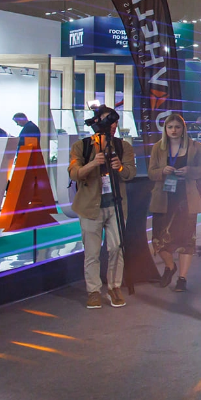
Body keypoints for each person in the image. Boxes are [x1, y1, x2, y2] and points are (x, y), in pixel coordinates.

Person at [69, 106, 136, 309]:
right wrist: (93, 163)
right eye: (108, 121)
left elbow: (130, 173)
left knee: (116, 248)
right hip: (90, 207)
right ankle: (94, 291)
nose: (112, 125)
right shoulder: (81, 146)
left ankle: (114, 287)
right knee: (92, 252)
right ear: (97, 122)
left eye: (114, 121)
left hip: (116, 205)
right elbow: (74, 173)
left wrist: (120, 167)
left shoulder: (123, 146)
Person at [148, 113, 201, 293]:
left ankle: (182, 278)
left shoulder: (197, 147)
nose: (173, 130)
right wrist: (162, 171)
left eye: (177, 127)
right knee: (158, 240)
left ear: (183, 129)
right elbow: (151, 173)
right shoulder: (158, 148)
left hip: (186, 198)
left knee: (186, 241)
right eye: (170, 127)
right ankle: (170, 266)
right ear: (165, 129)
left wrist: (190, 170)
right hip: (164, 198)